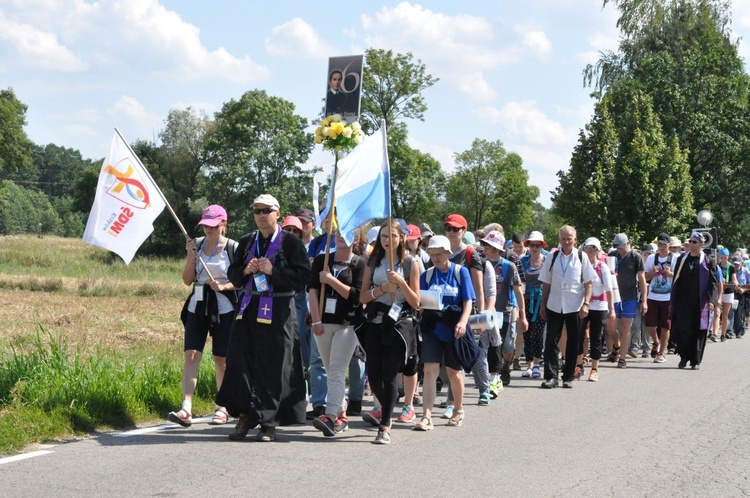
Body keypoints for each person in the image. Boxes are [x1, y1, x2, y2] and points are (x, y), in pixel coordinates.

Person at [216, 194, 312, 442]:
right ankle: (245, 416)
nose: (261, 215)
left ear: (277, 213)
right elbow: (233, 273)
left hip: (279, 309)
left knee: (274, 365)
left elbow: (303, 277)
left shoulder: (291, 242)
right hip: (249, 307)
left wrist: (274, 271)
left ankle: (269, 422)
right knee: (242, 363)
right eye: (257, 211)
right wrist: (245, 270)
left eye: (266, 210)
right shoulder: (247, 242)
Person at [168, 205, 238, 427]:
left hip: (224, 307)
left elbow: (244, 279)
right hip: (198, 303)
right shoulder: (196, 244)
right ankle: (186, 408)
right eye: (205, 225)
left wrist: (225, 286)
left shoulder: (233, 248)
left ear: (223, 225)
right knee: (191, 355)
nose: (208, 229)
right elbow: (187, 280)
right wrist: (190, 257)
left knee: (221, 359)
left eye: (213, 225)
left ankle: (222, 407)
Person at [360, 220, 421, 444]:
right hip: (376, 321)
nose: (388, 241)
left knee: (389, 375)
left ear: (401, 238)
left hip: (399, 324)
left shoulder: (411, 263)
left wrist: (401, 284)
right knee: (374, 376)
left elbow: (416, 302)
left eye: (392, 236)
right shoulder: (373, 261)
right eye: (384, 236)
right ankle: (388, 406)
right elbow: (363, 297)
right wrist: (383, 288)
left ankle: (385, 426)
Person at [308, 229, 365, 437]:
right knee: (330, 369)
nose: (342, 236)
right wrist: (315, 319)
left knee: (337, 369)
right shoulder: (322, 260)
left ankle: (330, 416)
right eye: (339, 232)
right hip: (322, 322)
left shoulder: (360, 263)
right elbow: (312, 290)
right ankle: (342, 415)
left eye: (349, 232)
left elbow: (356, 297)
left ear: (357, 238)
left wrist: (331, 280)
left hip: (347, 324)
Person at [414, 235, 474, 431]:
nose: (436, 258)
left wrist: (463, 322)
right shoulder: (427, 276)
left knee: (453, 372)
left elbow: (467, 300)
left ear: (449, 253)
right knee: (430, 370)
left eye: (439, 254)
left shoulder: (460, 272)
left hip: (454, 326)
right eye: (432, 254)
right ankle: (426, 416)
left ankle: (458, 409)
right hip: (432, 326)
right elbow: (420, 301)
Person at [539, 225, 595, 389]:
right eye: (563, 239)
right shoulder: (553, 256)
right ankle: (551, 376)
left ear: (575, 240)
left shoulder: (581, 256)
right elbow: (546, 283)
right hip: (555, 304)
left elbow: (589, 283)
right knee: (550, 341)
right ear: (559, 240)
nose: (566, 242)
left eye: (569, 239)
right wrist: (543, 305)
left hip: (575, 305)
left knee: (574, 341)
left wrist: (586, 303)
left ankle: (568, 376)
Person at [480, 231, 527, 387]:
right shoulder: (480, 264)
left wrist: (523, 315)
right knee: (491, 346)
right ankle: (493, 376)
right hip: (486, 313)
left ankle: (506, 365)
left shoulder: (508, 266)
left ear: (497, 248)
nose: (484, 248)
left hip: (504, 312)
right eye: (484, 245)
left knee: (506, 345)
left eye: (488, 245)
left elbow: (518, 292)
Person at [670, 232, 718, 370]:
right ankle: (684, 357)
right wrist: (673, 300)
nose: (691, 244)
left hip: (700, 302)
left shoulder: (708, 261)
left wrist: (711, 300)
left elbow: (713, 283)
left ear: (702, 244)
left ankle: (695, 360)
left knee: (699, 330)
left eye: (694, 242)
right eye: (690, 241)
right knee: (684, 329)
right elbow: (676, 281)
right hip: (683, 301)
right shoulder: (682, 259)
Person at [575, 238, 615, 382]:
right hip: (582, 305)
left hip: (599, 306)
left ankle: (594, 369)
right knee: (579, 336)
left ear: (598, 250)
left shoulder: (602, 267)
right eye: (587, 247)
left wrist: (612, 309)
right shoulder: (579, 265)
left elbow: (609, 290)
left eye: (593, 247)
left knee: (596, 337)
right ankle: (578, 367)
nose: (590, 250)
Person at [607, 233, 648, 368]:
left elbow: (641, 279)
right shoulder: (612, 255)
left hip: (630, 296)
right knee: (611, 327)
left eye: (621, 247)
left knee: (626, 327)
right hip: (614, 296)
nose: (619, 250)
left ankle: (622, 358)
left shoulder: (636, 257)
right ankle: (617, 345)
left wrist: (644, 300)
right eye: (617, 247)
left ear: (628, 244)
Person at [644, 233, 678, 363]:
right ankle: (656, 341)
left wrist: (670, 274)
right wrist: (652, 273)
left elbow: (680, 278)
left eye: (664, 245)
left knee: (665, 326)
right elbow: (645, 277)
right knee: (649, 324)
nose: (661, 247)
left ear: (669, 245)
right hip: (653, 296)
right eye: (659, 245)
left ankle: (661, 353)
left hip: (668, 297)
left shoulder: (675, 258)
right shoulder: (652, 258)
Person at [520, 231, 547, 379]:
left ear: (542, 246)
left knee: (537, 332)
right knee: (526, 332)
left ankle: (537, 363)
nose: (534, 247)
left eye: (537, 245)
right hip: (525, 299)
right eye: (532, 245)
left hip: (541, 301)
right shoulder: (523, 261)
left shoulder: (547, 260)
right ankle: (529, 364)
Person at [716, 247, 737, 342]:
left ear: (728, 257)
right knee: (717, 313)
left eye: (725, 257)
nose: (723, 259)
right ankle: (714, 332)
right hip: (719, 291)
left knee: (725, 314)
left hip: (728, 291)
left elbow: (734, 278)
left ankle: (723, 334)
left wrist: (735, 283)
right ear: (719, 257)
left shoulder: (731, 267)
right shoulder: (717, 266)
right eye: (722, 257)